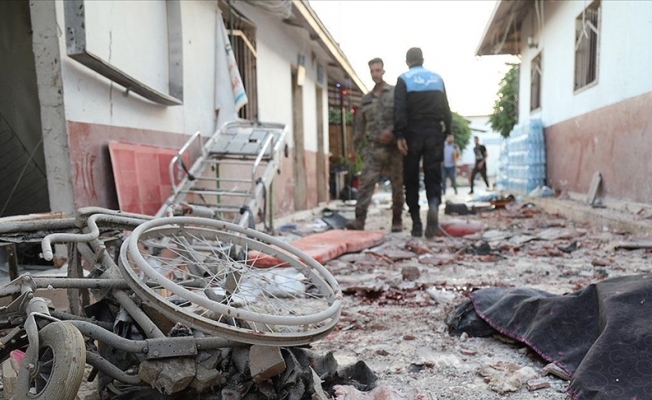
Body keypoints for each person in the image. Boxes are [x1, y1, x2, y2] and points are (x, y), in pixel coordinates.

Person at [394, 47, 451, 238]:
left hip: (413, 133)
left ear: (407, 62)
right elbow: (446, 108)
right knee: (433, 174)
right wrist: (449, 131)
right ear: (423, 59)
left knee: (411, 177)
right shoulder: (437, 79)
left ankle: (416, 223)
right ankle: (433, 203)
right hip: (435, 132)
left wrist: (399, 135)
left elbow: (400, 109)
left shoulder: (404, 79)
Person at [346, 57, 404, 233]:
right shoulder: (366, 99)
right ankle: (359, 220)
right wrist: (354, 149)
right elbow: (359, 127)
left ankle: (397, 220)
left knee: (397, 185)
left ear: (383, 71)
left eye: (378, 70)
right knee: (365, 184)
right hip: (373, 148)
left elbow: (402, 117)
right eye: (372, 71)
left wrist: (393, 131)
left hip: (393, 148)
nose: (375, 74)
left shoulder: (394, 93)